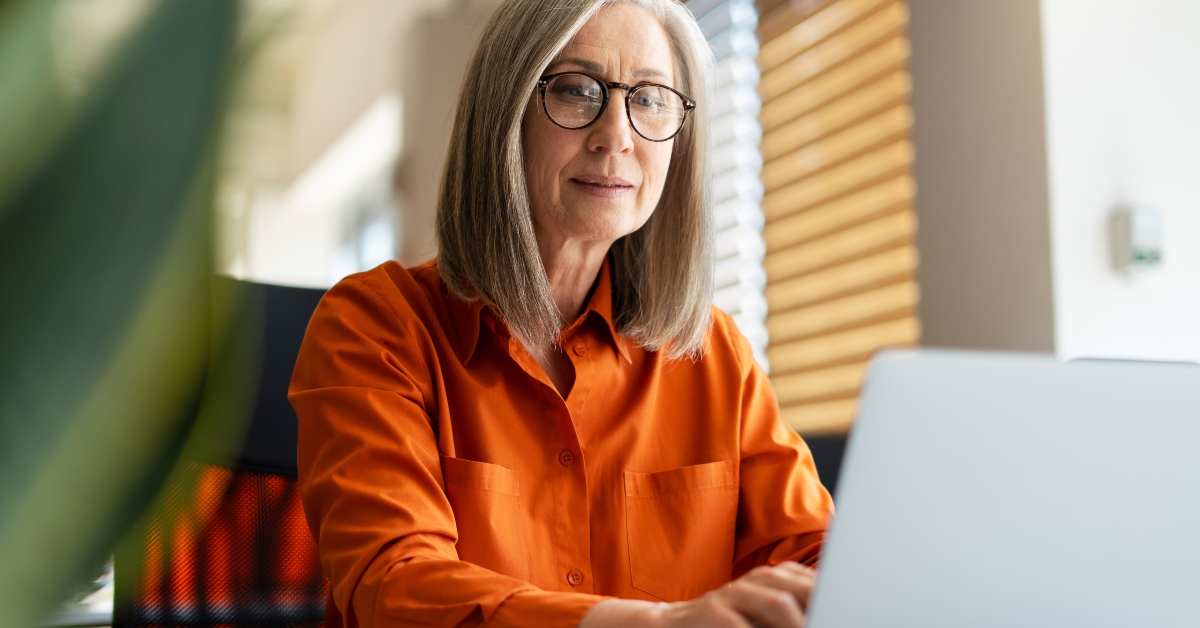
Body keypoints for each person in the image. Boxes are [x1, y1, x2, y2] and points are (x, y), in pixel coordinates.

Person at [288, 0, 833, 626]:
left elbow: (817, 560)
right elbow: (395, 585)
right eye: (576, 90)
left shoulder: (714, 352)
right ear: (505, 113)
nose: (617, 136)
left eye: (650, 98)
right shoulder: (373, 325)